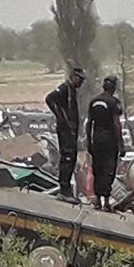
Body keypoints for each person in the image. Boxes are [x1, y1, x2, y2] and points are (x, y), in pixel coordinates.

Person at [44, 66, 84, 201]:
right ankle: (64, 190)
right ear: (73, 77)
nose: (81, 82)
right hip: (65, 129)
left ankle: (67, 190)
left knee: (71, 159)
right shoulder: (64, 89)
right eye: (79, 79)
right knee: (67, 158)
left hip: (72, 130)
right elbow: (49, 99)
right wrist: (60, 117)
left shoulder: (72, 91)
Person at [88, 75, 128, 207]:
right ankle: (106, 202)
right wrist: (121, 144)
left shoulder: (94, 101)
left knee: (97, 169)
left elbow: (89, 123)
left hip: (97, 138)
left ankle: (98, 200)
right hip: (110, 140)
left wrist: (89, 141)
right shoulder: (114, 103)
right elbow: (116, 124)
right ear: (114, 88)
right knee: (108, 169)